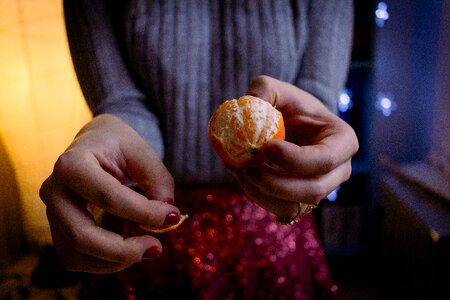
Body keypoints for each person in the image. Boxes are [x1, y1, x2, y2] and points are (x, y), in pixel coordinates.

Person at [39, 0, 358, 299]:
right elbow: (124, 102)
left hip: (271, 225)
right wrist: (113, 133)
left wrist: (314, 146)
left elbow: (314, 104)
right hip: (150, 218)